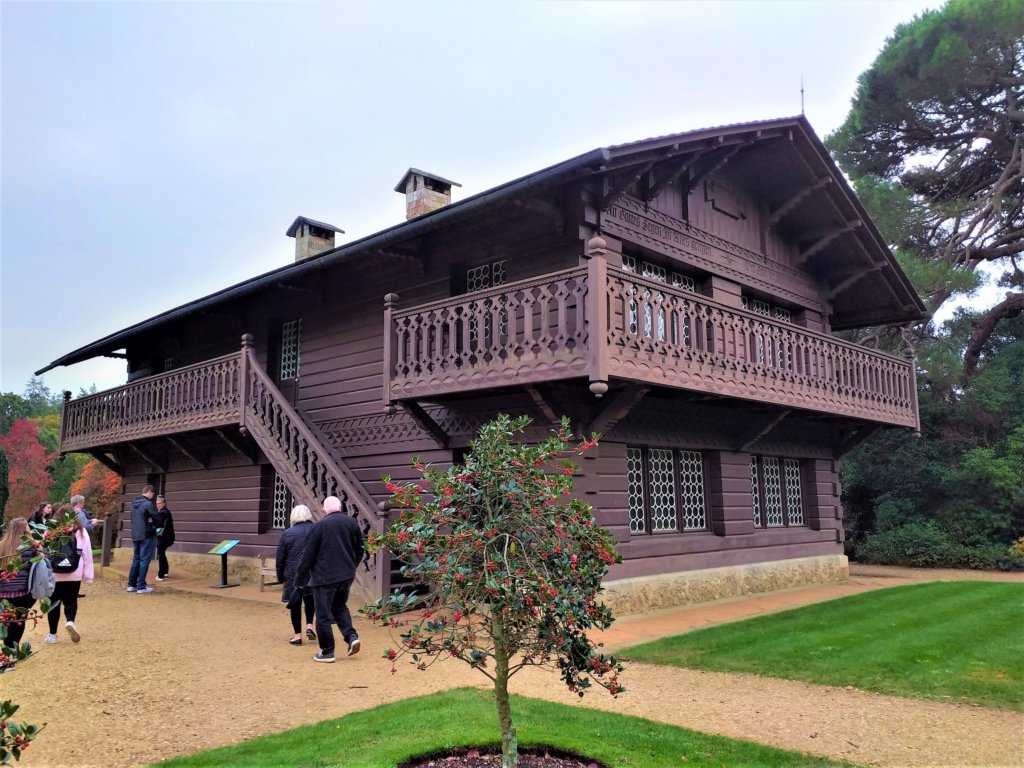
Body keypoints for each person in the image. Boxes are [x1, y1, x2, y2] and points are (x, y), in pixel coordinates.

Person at [295, 496, 364, 663]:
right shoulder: (352, 523)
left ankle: (327, 651)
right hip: (346, 575)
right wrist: (351, 566)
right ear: (340, 508)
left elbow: (307, 555)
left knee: (323, 614)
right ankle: (351, 636)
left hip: (324, 577)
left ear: (324, 510)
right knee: (340, 607)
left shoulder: (318, 527)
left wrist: (299, 578)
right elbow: (360, 549)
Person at [44, 515, 94, 644]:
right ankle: (70, 621)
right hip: (74, 572)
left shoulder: (51, 530)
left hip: (55, 573)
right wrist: (88, 576)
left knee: (54, 604)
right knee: (71, 600)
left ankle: (52, 635)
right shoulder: (81, 531)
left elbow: (43, 550)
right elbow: (87, 554)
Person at [276, 505, 317, 645]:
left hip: (293, 573)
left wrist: (280, 576)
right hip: (312, 572)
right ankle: (310, 625)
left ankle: (297, 636)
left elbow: (280, 557)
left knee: (295, 604)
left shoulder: (287, 533)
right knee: (310, 600)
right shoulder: (316, 529)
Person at [0, 518, 37, 651]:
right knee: (18, 623)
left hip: (3, 593)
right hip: (22, 593)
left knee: (7, 622)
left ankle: (7, 650)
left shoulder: (2, 546)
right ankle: (12, 649)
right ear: (24, 529)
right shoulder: (31, 546)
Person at [127, 485, 159, 594]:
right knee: (144, 560)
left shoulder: (134, 504)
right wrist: (151, 522)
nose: (153, 496)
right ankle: (141, 586)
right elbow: (157, 518)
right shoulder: (148, 504)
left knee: (136, 559)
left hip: (136, 534)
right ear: (150, 492)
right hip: (146, 534)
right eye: (153, 494)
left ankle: (131, 585)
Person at [154, 495, 176, 581]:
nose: (158, 505)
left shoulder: (162, 513)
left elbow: (159, 524)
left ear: (164, 503)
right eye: (157, 503)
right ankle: (165, 571)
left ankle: (161, 575)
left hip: (163, 537)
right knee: (162, 554)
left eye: (160, 503)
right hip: (168, 537)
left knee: (161, 555)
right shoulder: (167, 512)